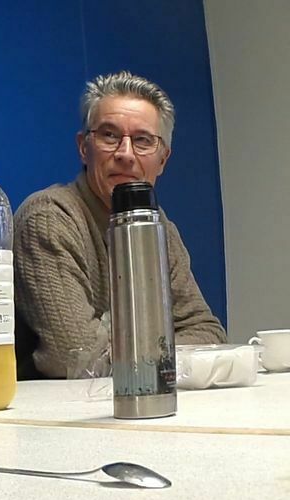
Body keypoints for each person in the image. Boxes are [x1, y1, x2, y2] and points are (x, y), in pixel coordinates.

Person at [13, 71, 226, 379]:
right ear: (83, 147)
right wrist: (160, 347)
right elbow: (76, 355)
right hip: (62, 406)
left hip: (142, 397)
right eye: (109, 136)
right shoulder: (49, 217)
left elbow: (208, 334)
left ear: (163, 159)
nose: (126, 154)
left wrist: (120, 345)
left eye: (143, 140)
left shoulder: (159, 227)